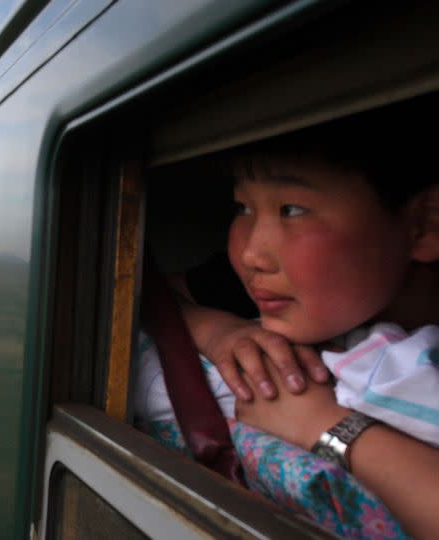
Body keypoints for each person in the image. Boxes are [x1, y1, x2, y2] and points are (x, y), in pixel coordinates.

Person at [135, 99, 439, 538]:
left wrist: (320, 424)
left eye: (291, 210)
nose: (251, 254)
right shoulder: (262, 285)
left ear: (424, 224)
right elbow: (139, 291)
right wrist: (215, 329)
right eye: (242, 207)